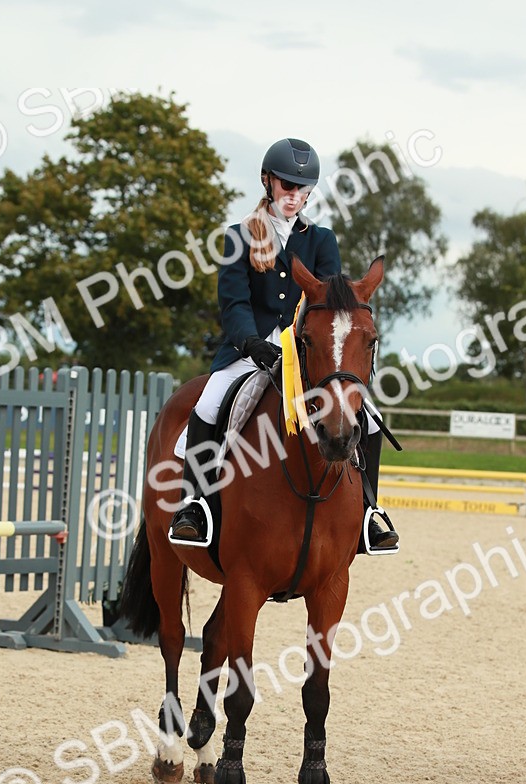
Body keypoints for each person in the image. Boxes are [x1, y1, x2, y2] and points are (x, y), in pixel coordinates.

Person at [170, 136, 398, 554]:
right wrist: (253, 344)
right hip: (249, 351)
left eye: (302, 189)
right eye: (287, 187)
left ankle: (369, 510)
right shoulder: (239, 237)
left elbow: (330, 303)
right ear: (267, 182)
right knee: (210, 402)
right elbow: (234, 303)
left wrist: (303, 344)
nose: (294, 196)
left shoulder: (321, 240)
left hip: (305, 351)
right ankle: (194, 505)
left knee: (368, 415)